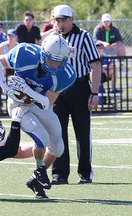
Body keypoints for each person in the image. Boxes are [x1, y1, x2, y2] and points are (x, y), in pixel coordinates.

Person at [0, 34, 76, 198]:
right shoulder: (25, 53)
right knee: (41, 138)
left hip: (38, 104)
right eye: (52, 60)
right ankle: (40, 168)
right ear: (43, 54)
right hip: (18, 104)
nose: (55, 64)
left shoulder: (66, 74)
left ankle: (36, 178)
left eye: (59, 61)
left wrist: (27, 90)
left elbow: (46, 103)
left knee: (58, 147)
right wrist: (7, 89)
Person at [51, 5, 101, 185]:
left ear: (72, 19)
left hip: (80, 88)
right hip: (58, 90)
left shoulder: (84, 37)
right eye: (58, 20)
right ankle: (59, 174)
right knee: (58, 133)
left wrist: (94, 92)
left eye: (64, 20)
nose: (61, 24)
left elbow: (95, 65)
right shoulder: (51, 38)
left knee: (82, 132)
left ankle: (85, 173)